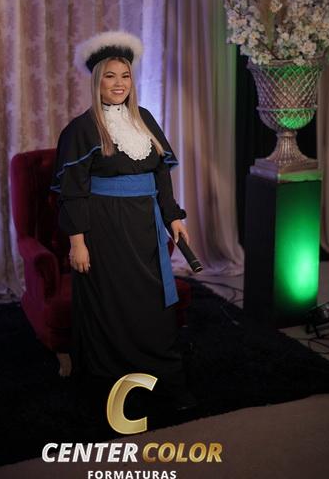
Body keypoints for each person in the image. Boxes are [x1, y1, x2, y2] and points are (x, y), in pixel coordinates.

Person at [50, 31, 197, 419]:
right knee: (113, 306)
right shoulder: (81, 128)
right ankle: (113, 387)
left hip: (145, 226)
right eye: (110, 76)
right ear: (96, 81)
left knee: (152, 306)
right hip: (104, 229)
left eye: (125, 76)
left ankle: (165, 380)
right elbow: (72, 191)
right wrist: (77, 242)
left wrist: (173, 217)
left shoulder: (144, 118)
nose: (119, 84)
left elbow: (160, 173)